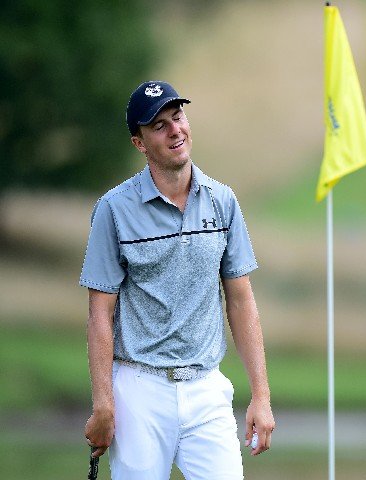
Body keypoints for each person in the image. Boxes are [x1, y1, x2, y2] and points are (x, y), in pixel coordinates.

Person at [80, 80, 275, 479]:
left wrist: (261, 394)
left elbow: (240, 301)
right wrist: (103, 405)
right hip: (139, 390)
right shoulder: (114, 210)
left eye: (178, 117)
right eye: (159, 126)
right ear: (139, 143)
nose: (175, 130)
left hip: (207, 388)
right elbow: (101, 314)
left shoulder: (223, 201)